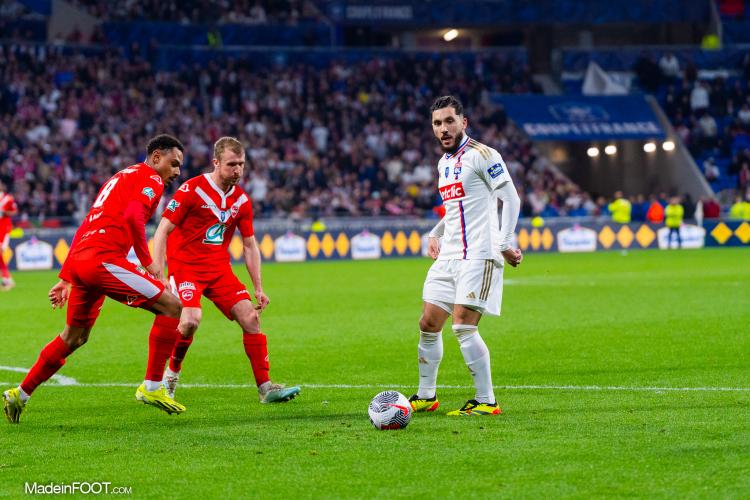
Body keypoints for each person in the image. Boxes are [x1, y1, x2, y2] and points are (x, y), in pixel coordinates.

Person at [2, 135, 186, 424]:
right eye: (174, 164)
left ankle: (20, 394)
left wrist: (65, 277)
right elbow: (133, 218)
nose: (176, 172)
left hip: (83, 260)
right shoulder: (151, 179)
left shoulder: (122, 176)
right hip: (104, 259)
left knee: (74, 337)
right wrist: (150, 264)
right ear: (156, 157)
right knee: (173, 307)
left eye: (179, 167)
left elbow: (88, 221)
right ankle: (151, 387)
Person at [142, 137, 300, 407]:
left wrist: (258, 287)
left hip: (218, 270)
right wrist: (160, 275)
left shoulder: (241, 200)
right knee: (190, 320)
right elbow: (162, 231)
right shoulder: (192, 189)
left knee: (251, 318)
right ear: (216, 163)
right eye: (231, 164)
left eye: (241, 164)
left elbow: (249, 245)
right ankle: (171, 376)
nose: (237, 170)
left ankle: (265, 388)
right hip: (186, 268)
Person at [409, 96, 522, 417]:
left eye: (448, 121)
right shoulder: (443, 164)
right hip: (450, 255)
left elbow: (510, 197)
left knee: (462, 327)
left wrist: (504, 242)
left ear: (463, 122)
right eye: (437, 123)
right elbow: (456, 208)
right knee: (428, 323)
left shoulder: (483, 155)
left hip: (480, 255)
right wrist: (436, 233)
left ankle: (487, 400)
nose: (443, 129)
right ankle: (426, 395)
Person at [0, 182, 18, 290]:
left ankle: (7, 279)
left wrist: (4, 213)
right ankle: (7, 279)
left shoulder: (8, 199)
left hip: (4, 230)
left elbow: (14, 211)